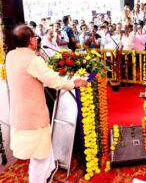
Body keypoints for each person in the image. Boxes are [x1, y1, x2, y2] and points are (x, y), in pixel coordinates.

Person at [5, 25, 87, 183]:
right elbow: (54, 81)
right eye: (35, 37)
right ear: (30, 40)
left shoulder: (11, 55)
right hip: (33, 119)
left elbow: (27, 78)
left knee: (44, 149)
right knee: (39, 158)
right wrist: (74, 82)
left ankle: (49, 172)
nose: (37, 39)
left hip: (19, 115)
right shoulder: (32, 60)